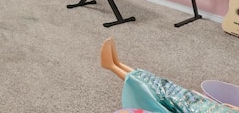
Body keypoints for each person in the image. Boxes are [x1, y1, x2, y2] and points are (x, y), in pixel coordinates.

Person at [101, 37, 238, 113]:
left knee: (159, 92)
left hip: (194, 109)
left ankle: (112, 66)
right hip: (205, 104)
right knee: (164, 84)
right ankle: (118, 63)